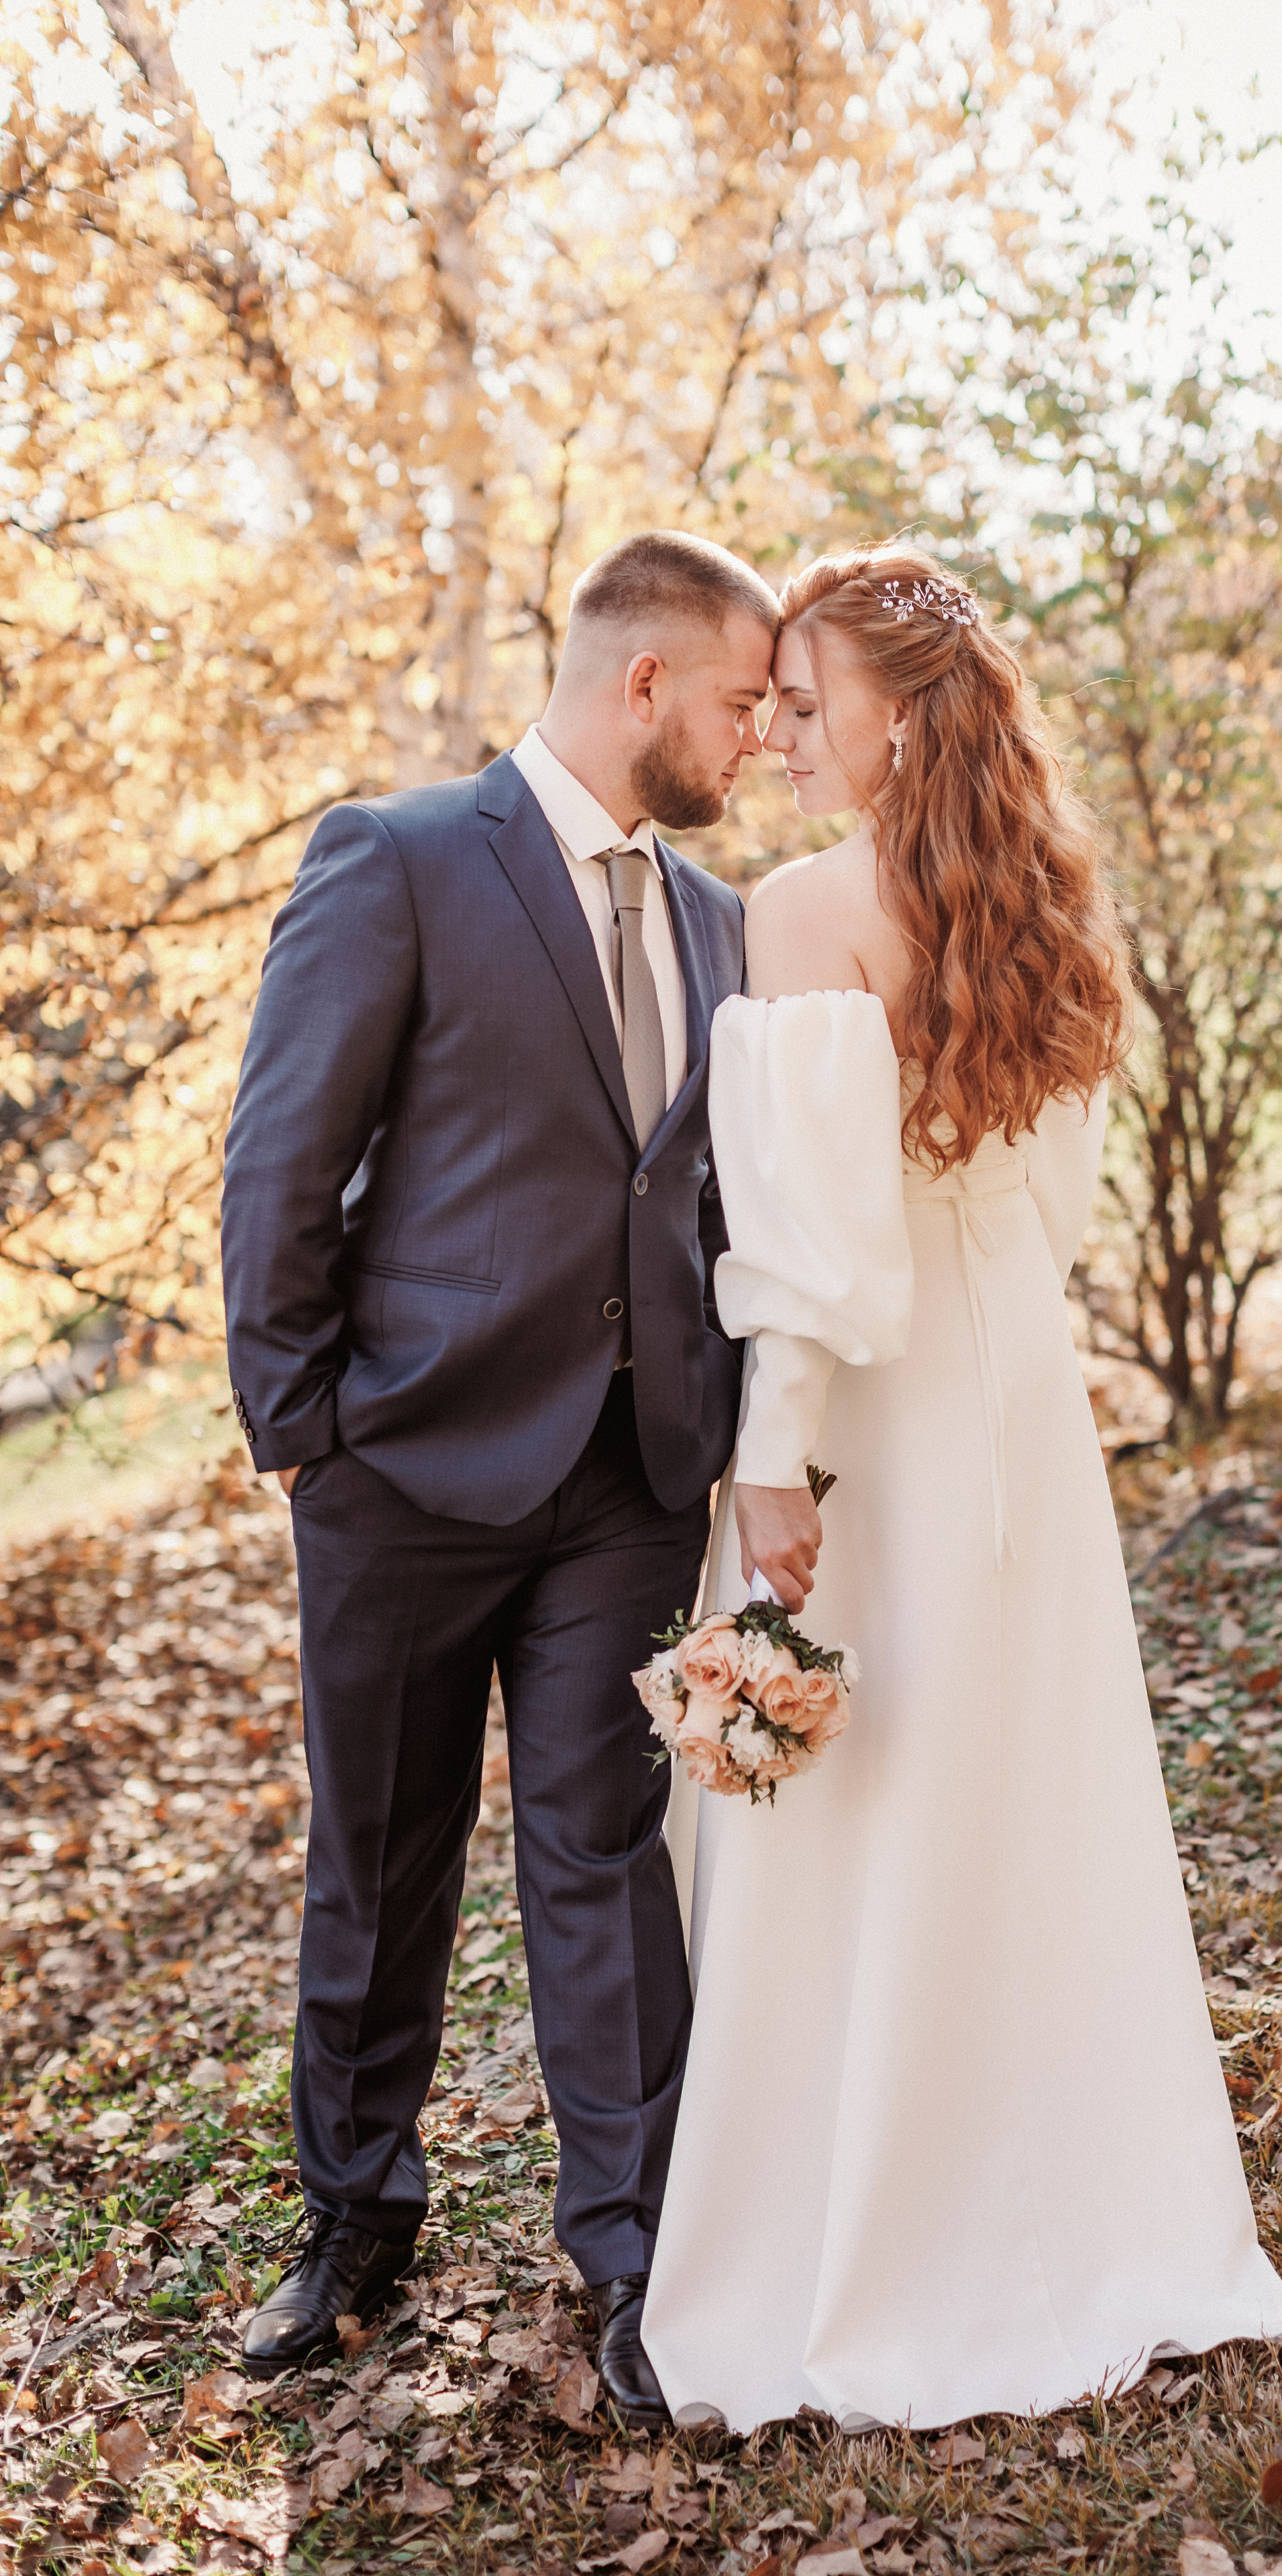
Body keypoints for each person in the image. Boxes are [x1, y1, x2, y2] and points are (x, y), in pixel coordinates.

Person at [643, 547, 1282, 2432]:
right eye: (764, 697)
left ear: (898, 713)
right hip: (1013, 1389)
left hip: (880, 1402)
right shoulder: (1041, 898)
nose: (774, 727)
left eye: (803, 697)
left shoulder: (801, 906)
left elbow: (814, 1242)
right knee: (1016, 1788)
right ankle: (1085, 2211)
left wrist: (777, 1459)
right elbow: (1058, 1207)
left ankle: (865, 2247)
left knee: (855, 1799)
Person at [220, 529, 778, 2416]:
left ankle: (637, 2259)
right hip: (400, 1464)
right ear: (644, 684)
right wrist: (302, 1431)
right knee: (377, 1865)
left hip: (626, 1480)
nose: (756, 735)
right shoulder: (397, 860)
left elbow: (699, 1205)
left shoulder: (717, 927)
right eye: (738, 699)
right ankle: (356, 2222)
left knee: (606, 1863)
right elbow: (282, 1162)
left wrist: (726, 1427)